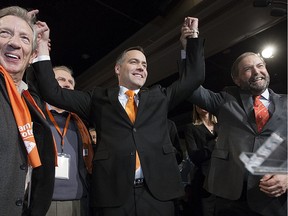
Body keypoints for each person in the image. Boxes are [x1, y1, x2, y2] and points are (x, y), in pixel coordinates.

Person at [28, 15, 205, 216]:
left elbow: (194, 77)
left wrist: (191, 40)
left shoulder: (159, 97)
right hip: (114, 197)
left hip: (158, 195)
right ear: (118, 69)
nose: (141, 67)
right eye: (134, 62)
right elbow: (53, 92)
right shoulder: (98, 99)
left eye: (144, 65)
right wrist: (42, 47)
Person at [180, 17, 287, 216]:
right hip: (230, 199)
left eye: (260, 65)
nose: (256, 72)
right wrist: (190, 46)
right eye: (247, 69)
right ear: (237, 80)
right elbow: (190, 88)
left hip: (275, 201)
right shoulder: (226, 99)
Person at [0, 6, 55, 215]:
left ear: (31, 56)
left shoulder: (30, 100)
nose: (14, 42)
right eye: (4, 33)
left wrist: (37, 42)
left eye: (23, 39)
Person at [43, 66, 93, 216]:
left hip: (78, 203)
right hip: (43, 203)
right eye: (61, 80)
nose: (67, 84)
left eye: (71, 82)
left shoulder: (81, 123)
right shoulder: (35, 116)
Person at [183, 105, 217, 216]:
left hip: (228, 177)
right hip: (206, 180)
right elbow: (194, 157)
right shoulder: (191, 128)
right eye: (199, 103)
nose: (202, 105)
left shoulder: (221, 125)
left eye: (205, 102)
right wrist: (214, 143)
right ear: (195, 108)